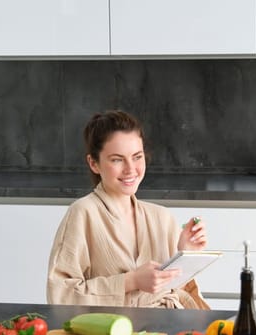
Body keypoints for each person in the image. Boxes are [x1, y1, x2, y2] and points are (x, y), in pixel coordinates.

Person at [46, 110, 210, 309]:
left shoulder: (162, 217)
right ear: (94, 163)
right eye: (117, 159)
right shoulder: (83, 213)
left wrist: (185, 256)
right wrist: (131, 281)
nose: (131, 169)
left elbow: (177, 291)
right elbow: (60, 295)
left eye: (137, 157)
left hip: (167, 331)